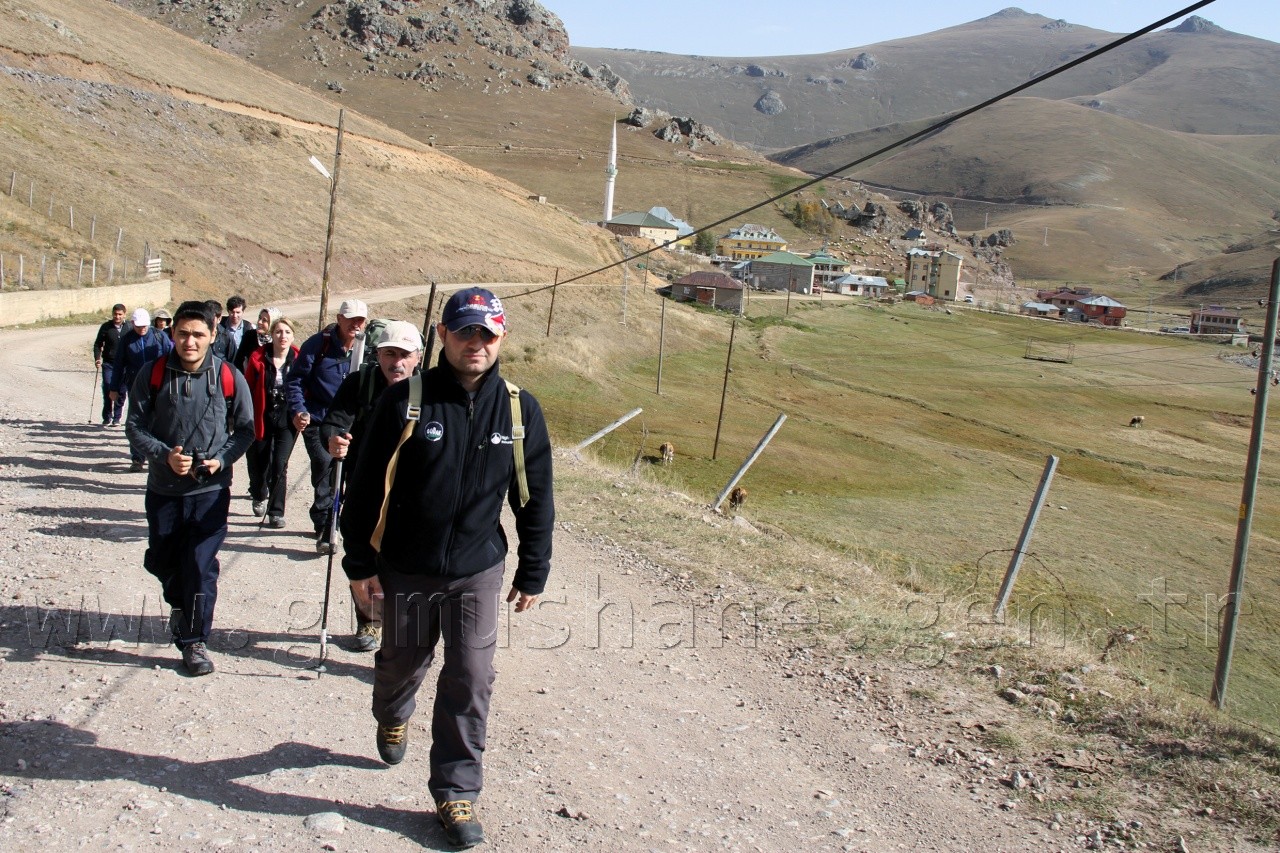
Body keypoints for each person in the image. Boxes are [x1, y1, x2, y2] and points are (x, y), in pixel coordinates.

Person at [340, 288, 554, 849]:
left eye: (487, 333)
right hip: (407, 569)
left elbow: (534, 498)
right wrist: (359, 563)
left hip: (476, 571)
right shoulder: (405, 401)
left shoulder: (519, 408)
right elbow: (362, 487)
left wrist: (533, 570)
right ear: (443, 336)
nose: (475, 343)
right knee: (400, 665)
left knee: (472, 677)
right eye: (465, 332)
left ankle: (456, 792)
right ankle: (392, 709)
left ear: (501, 337)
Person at [123, 300, 253, 676]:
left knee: (199, 564)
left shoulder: (229, 376)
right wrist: (165, 456)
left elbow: (244, 430)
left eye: (199, 334)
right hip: (163, 488)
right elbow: (135, 427)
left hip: (210, 490)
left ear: (214, 335)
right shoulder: (153, 373)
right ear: (172, 334)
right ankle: (178, 602)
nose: (190, 341)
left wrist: (221, 460)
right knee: (163, 558)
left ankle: (195, 641)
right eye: (183, 333)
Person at [320, 320, 423, 652]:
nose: (397, 363)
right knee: (365, 556)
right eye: (389, 353)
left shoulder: (430, 390)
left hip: (412, 495)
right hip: (365, 488)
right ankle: (370, 621)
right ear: (377, 354)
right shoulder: (359, 383)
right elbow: (335, 420)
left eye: (405, 355)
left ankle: (404, 631)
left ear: (418, 357)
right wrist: (333, 439)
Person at [285, 298, 368, 552]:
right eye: (351, 318)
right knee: (324, 467)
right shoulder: (318, 345)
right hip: (318, 420)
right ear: (339, 319)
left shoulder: (368, 347)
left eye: (361, 320)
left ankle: (338, 519)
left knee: (350, 475)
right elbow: (295, 380)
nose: (356, 324)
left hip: (354, 424)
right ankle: (325, 526)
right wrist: (299, 409)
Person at [243, 313, 298, 528]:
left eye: (287, 332)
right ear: (272, 335)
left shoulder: (299, 359)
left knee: (280, 465)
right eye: (278, 332)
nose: (282, 336)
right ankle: (258, 493)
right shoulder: (257, 358)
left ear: (293, 336)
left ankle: (276, 512)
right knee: (259, 464)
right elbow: (247, 388)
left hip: (286, 417)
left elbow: (305, 387)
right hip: (261, 415)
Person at [111, 308, 174, 471]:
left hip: (159, 386)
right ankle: (137, 458)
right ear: (132, 324)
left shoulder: (160, 337)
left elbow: (172, 358)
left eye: (145, 325)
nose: (142, 329)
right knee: (137, 421)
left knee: (159, 421)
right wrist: (114, 387)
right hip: (135, 386)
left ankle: (159, 456)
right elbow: (118, 365)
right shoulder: (127, 340)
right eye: (139, 326)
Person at [93, 303, 127, 427]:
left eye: (120, 314)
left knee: (122, 391)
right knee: (108, 386)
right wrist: (97, 359)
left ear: (124, 314)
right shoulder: (106, 327)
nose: (117, 316)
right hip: (109, 363)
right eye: (115, 314)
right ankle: (107, 416)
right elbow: (98, 344)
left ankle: (117, 417)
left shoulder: (128, 327)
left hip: (124, 365)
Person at [221, 295, 255, 369]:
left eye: (238, 312)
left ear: (243, 312)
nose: (235, 315)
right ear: (228, 311)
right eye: (232, 312)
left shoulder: (249, 328)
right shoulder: (220, 325)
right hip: (223, 366)